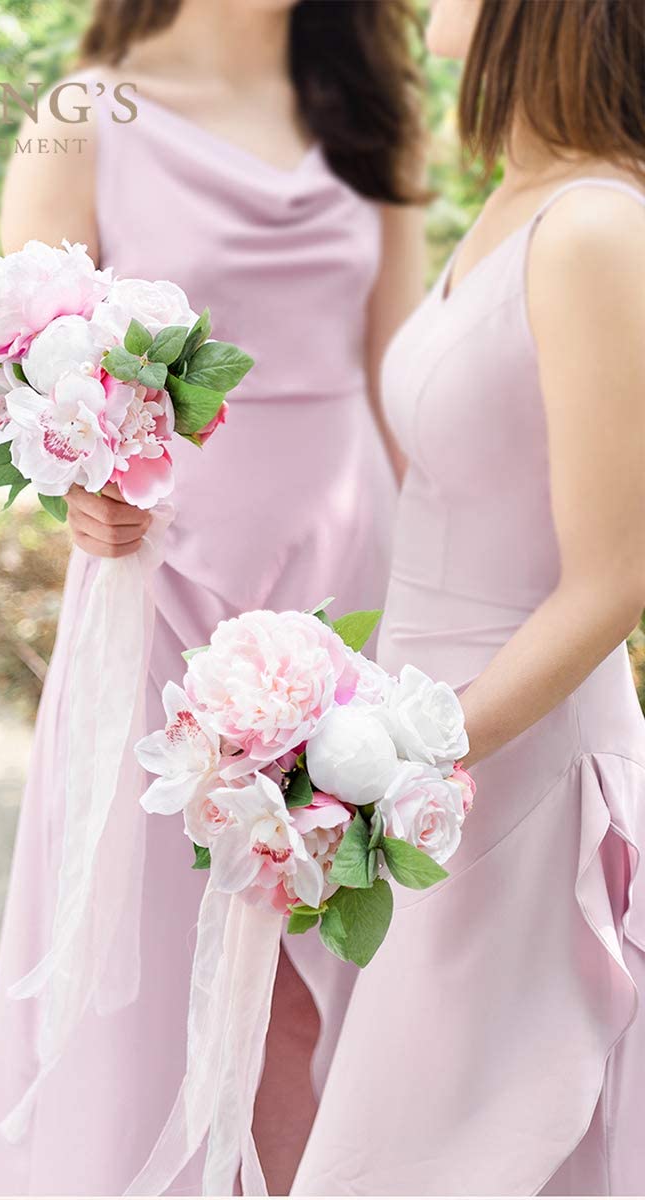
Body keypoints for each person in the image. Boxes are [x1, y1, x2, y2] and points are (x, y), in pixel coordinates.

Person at [0, 1, 426, 1194]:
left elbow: (398, 377)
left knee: (331, 967)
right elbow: (26, 392)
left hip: (351, 586)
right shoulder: (84, 117)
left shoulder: (369, 107)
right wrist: (76, 497)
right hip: (162, 591)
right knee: (160, 966)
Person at [291, 0, 645, 1194]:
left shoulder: (595, 226)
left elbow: (614, 578)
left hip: (510, 764)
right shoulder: (509, 198)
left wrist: (411, 755)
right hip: (428, 751)